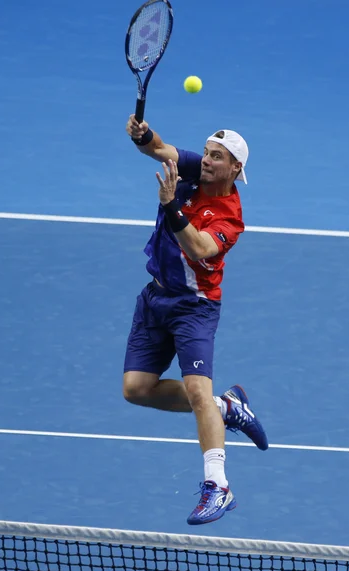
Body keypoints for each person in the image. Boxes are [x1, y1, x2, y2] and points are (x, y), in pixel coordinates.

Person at [123, 114, 268, 525]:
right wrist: (143, 135)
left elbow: (201, 247)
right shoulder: (194, 168)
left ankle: (218, 486)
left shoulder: (230, 216)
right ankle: (228, 406)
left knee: (197, 391)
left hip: (194, 307)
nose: (205, 161)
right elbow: (157, 149)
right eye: (205, 152)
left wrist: (172, 206)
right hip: (154, 299)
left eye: (216, 157)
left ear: (235, 169)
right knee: (136, 389)